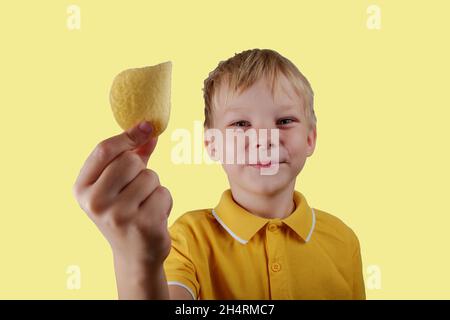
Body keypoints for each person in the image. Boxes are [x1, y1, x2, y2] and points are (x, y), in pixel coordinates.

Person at [73, 48, 365, 300]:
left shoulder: (344, 241)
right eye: (240, 124)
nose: (264, 139)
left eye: (285, 120)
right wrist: (137, 261)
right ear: (212, 145)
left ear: (310, 139)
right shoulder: (187, 239)